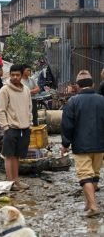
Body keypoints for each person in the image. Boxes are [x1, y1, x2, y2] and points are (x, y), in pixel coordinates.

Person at [61, 70, 104, 217]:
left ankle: (93, 206)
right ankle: (88, 202)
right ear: (93, 84)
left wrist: (65, 144)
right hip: (100, 145)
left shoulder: (73, 102)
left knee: (85, 175)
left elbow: (67, 125)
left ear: (77, 86)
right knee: (95, 173)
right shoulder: (102, 100)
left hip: (81, 146)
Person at [0, 64, 32, 191]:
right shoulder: (4, 90)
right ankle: (10, 182)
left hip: (24, 128)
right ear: (9, 75)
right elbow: (1, 111)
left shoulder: (26, 90)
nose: (15, 77)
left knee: (17, 155)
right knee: (9, 155)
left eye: (17, 75)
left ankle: (16, 180)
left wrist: (30, 124)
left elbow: (29, 108)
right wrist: (5, 127)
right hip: (11, 128)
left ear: (22, 75)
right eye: (13, 75)